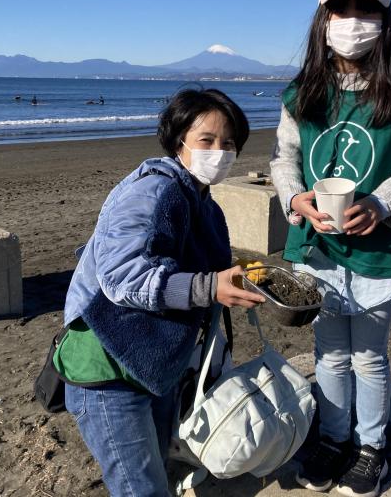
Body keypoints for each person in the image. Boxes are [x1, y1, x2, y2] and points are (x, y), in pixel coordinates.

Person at [270, 0, 391, 497]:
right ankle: (333, 438)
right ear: (322, 18)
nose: (351, 19)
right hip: (316, 245)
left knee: (367, 354)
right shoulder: (304, 92)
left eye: (364, 8)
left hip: (379, 250)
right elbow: (283, 159)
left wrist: (384, 203)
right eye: (340, 8)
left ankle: (371, 448)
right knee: (328, 350)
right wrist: (294, 197)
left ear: (385, 19)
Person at [57, 87, 265, 496]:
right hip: (107, 366)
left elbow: (204, 276)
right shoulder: (152, 191)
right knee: (141, 488)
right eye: (206, 140)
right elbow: (121, 277)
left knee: (162, 471)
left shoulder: (205, 203)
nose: (219, 152)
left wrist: (234, 284)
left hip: (155, 365)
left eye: (229, 143)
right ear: (178, 141)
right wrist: (209, 287)